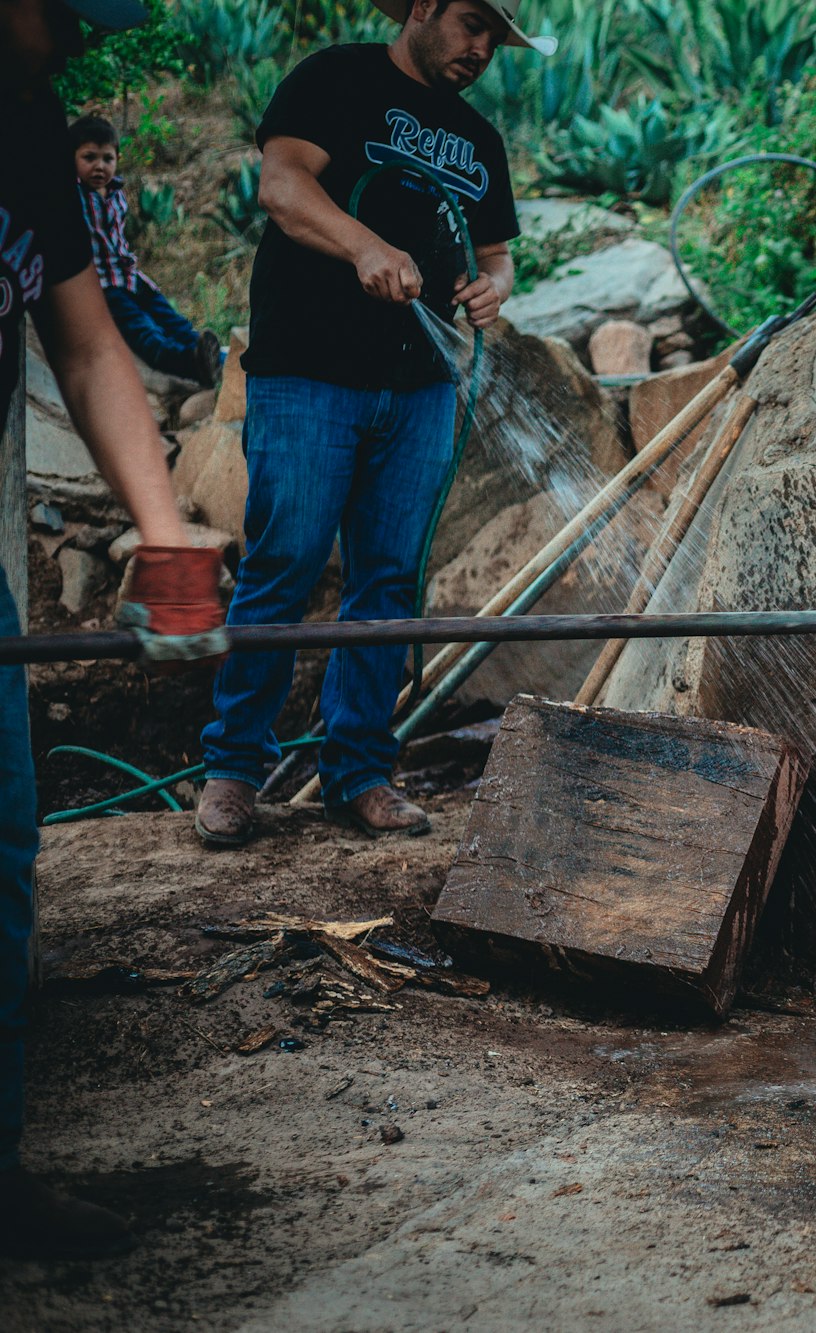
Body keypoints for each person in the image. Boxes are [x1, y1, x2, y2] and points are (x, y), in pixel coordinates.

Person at [193, 0, 551, 847]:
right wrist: (363, 246)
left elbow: (495, 252)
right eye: (471, 23)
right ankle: (235, 769)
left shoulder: (479, 140)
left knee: (389, 582)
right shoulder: (336, 78)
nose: (482, 48)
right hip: (309, 375)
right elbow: (282, 186)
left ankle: (358, 770)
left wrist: (492, 284)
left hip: (422, 386)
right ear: (421, 6)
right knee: (284, 564)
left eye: (496, 37)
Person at [0, 0, 226, 1257]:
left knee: (2, 846)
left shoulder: (30, 130)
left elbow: (85, 343)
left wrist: (166, 530)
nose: (84, 32)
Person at [70, 114, 222, 387]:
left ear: (117, 158)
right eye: (89, 157)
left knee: (173, 320)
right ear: (71, 159)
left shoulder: (115, 191)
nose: (99, 167)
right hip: (103, 285)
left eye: (107, 159)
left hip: (131, 277)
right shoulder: (73, 193)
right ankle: (189, 364)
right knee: (145, 332)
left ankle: (214, 359)